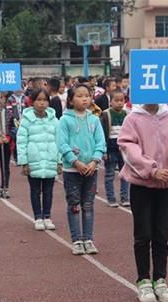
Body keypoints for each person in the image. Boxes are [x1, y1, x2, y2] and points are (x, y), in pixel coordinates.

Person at [118, 103, 168, 302]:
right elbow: (128, 149)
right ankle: (143, 280)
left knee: (161, 233)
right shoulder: (133, 118)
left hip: (166, 185)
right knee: (143, 234)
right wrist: (152, 170)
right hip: (142, 185)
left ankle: (160, 278)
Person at [58, 83, 106, 255]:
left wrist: (94, 161)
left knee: (88, 204)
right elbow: (62, 144)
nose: (84, 98)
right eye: (79, 95)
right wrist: (75, 161)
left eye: (87, 95)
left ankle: (88, 239)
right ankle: (77, 239)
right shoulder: (65, 120)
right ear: (71, 99)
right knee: (74, 204)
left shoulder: (94, 119)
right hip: (72, 171)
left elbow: (101, 142)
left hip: (91, 170)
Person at [17, 88, 61, 230]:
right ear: (32, 101)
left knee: (48, 190)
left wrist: (59, 161)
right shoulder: (26, 120)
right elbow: (21, 141)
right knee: (35, 190)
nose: (42, 103)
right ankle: (38, 217)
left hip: (50, 159)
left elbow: (60, 141)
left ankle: (47, 216)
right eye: (38, 100)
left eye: (44, 100)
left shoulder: (54, 120)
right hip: (33, 160)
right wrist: (24, 162)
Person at [99, 89, 130, 208]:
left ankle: (124, 197)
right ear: (110, 101)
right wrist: (104, 150)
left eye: (121, 100)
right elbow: (101, 133)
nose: (119, 103)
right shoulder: (106, 114)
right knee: (110, 174)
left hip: (124, 149)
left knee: (125, 174)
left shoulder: (127, 114)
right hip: (111, 149)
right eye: (116, 100)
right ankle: (111, 198)